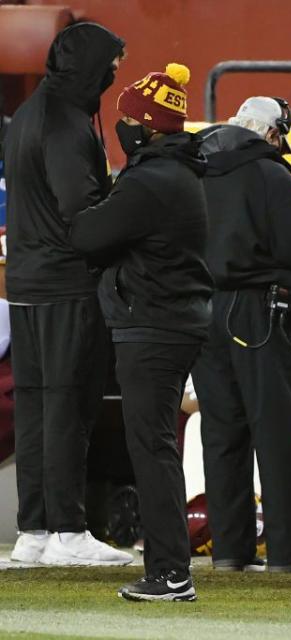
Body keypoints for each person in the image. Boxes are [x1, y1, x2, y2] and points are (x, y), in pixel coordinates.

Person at [70, 63, 212, 601]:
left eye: (130, 117)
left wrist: (94, 200)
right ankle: (171, 569)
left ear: (148, 126)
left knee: (151, 449)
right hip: (171, 320)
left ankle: (171, 572)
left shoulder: (151, 179)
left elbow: (87, 234)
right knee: (156, 446)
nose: (122, 125)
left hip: (154, 324)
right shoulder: (177, 172)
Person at [192, 97, 291, 574]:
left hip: (201, 310)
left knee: (221, 434)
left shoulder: (192, 169)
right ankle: (289, 552)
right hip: (258, 311)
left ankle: (230, 552)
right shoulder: (271, 175)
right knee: (275, 432)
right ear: (274, 134)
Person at [3, 22, 131, 566]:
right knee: (67, 404)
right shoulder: (65, 120)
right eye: (112, 63)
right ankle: (67, 530)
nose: (114, 73)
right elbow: (80, 208)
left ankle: (33, 529)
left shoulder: (30, 112)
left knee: (34, 404)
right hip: (64, 283)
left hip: (27, 283)